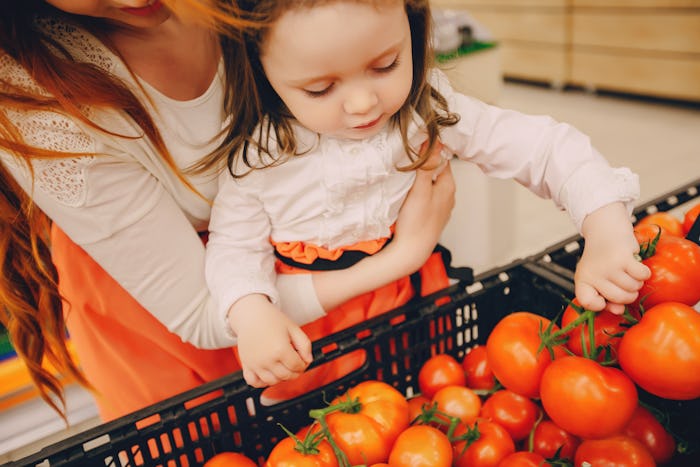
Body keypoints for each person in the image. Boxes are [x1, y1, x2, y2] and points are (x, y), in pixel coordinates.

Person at [0, 0, 455, 422]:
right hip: (182, 313)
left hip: (340, 268)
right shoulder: (34, 95)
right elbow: (203, 313)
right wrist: (403, 255)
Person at [203, 0, 652, 390]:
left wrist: (604, 227)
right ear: (262, 72)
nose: (362, 104)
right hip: (311, 328)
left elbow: (544, 148)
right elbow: (232, 247)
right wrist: (251, 314)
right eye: (320, 88)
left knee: (419, 399)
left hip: (412, 303)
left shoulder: (426, 111)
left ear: (413, 31)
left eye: (386, 65)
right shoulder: (260, 158)